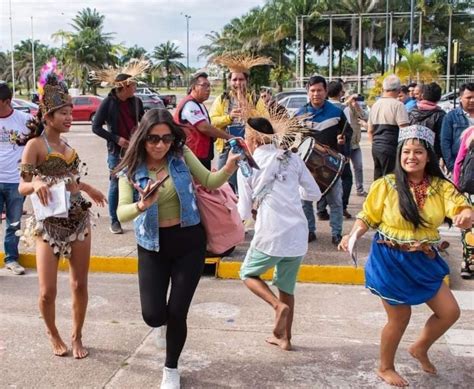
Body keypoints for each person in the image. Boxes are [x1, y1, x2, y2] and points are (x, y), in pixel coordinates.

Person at [338, 125, 472, 387]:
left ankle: (419, 348)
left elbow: (460, 205)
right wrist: (351, 235)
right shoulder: (386, 185)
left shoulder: (440, 187)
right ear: (399, 154)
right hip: (390, 260)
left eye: (418, 152)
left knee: (450, 312)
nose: (412, 156)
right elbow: (367, 217)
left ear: (428, 156)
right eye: (407, 151)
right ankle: (385, 366)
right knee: (400, 317)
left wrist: (466, 213)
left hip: (424, 259)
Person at [115, 109, 239, 389]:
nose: (160, 145)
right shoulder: (131, 169)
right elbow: (121, 212)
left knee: (178, 312)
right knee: (154, 315)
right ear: (142, 138)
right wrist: (142, 205)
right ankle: (160, 326)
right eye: (153, 139)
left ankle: (171, 368)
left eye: (166, 138)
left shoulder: (181, 156)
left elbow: (209, 181)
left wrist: (229, 166)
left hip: (189, 243)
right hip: (151, 246)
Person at [18, 68, 107, 359]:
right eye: (63, 113)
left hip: (77, 218)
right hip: (47, 225)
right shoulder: (35, 146)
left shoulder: (68, 147)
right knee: (47, 291)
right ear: (48, 117)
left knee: (80, 283)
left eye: (70, 112)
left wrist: (89, 188)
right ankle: (53, 332)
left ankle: (77, 335)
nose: (70, 117)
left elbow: (71, 182)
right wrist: (36, 182)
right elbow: (22, 186)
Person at [237, 117, 321, 351]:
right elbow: (314, 194)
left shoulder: (247, 165)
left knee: (247, 273)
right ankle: (285, 339)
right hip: (297, 234)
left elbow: (243, 210)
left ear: (252, 139)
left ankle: (276, 306)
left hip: (270, 233)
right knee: (287, 287)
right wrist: (290, 194)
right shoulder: (292, 158)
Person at [91, 59, 147, 234]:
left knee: (139, 181)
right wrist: (116, 139)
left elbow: (143, 120)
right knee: (116, 184)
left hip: (135, 149)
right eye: (133, 86)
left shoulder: (136, 102)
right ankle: (115, 221)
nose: (135, 88)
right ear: (125, 87)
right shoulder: (108, 103)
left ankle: (140, 218)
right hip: (117, 152)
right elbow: (96, 127)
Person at [296, 75, 352, 245]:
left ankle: (337, 233)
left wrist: (343, 145)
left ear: (326, 91)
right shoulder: (301, 114)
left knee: (335, 201)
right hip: (307, 168)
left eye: (319, 90)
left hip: (332, 165)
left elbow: (347, 133)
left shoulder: (336, 113)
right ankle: (309, 231)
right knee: (305, 201)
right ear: (308, 92)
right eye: (312, 90)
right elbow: (291, 138)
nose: (316, 94)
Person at [209, 54, 270, 191]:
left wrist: (249, 114)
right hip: (227, 148)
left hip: (250, 149)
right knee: (224, 186)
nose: (238, 83)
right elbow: (212, 122)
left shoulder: (255, 99)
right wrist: (229, 117)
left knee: (249, 186)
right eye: (234, 79)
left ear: (246, 81)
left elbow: (265, 121)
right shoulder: (222, 99)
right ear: (230, 81)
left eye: (241, 79)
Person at [0, 82, 30, 275]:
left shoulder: (25, 120)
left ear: (7, 101)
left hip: (16, 182)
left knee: (14, 223)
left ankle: (11, 259)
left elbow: (39, 144)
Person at [173, 72, 231, 169]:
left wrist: (213, 137)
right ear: (194, 87)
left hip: (201, 156)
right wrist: (228, 136)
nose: (208, 89)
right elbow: (204, 127)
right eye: (204, 85)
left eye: (209, 86)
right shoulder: (189, 104)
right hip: (193, 157)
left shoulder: (200, 104)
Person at [368, 74, 409, 180]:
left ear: (383, 89)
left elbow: (370, 131)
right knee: (391, 179)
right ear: (399, 90)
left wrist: (374, 145)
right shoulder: (398, 105)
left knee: (378, 180)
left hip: (376, 147)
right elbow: (405, 130)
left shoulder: (375, 105)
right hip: (391, 147)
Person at [326, 80, 353, 219]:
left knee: (324, 177)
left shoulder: (322, 107)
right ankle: (342, 206)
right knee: (346, 177)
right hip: (339, 150)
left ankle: (321, 210)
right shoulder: (344, 109)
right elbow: (346, 131)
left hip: (323, 151)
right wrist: (347, 153)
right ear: (339, 92)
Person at [453, 126, 474, 279]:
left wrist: (456, 186)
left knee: (469, 227)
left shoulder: (469, 132)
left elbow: (459, 162)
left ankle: (468, 264)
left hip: (470, 189)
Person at [441, 82, 474, 175]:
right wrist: (453, 166)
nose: (472, 100)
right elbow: (445, 143)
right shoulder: (451, 117)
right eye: (468, 97)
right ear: (460, 98)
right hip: (460, 166)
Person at [409, 82, 445, 161]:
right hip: (432, 155)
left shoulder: (411, 111)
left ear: (422, 95)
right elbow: (442, 139)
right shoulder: (441, 115)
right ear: (439, 98)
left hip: (412, 152)